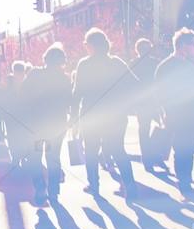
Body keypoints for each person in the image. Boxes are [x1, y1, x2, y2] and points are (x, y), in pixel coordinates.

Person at [72, 28, 139, 196]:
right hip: (116, 115)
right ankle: (130, 185)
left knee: (91, 152)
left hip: (92, 116)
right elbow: (135, 84)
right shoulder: (116, 62)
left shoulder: (84, 65)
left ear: (91, 46)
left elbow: (77, 93)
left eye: (86, 44)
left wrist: (73, 119)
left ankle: (94, 185)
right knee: (118, 150)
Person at [154, 28, 194, 194]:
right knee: (181, 148)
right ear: (182, 45)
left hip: (193, 115)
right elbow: (160, 93)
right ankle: (184, 182)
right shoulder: (165, 67)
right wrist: (164, 112)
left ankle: (186, 178)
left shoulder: (192, 66)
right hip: (177, 114)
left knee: (189, 148)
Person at [16, 44, 71, 201]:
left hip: (37, 125)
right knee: (53, 157)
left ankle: (40, 187)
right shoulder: (64, 78)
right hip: (57, 124)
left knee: (36, 156)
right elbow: (69, 101)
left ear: (45, 58)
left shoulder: (34, 74)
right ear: (62, 61)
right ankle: (54, 190)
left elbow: (23, 95)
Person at [129, 38, 162, 171]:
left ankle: (148, 158)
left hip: (142, 102)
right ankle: (155, 155)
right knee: (161, 128)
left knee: (144, 129)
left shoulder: (133, 64)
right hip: (153, 100)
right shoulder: (155, 63)